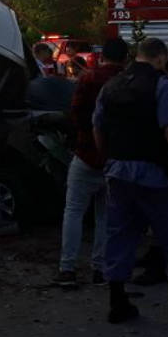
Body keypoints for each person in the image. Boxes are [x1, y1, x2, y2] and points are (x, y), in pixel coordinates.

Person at [94, 37, 168, 324]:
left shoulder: (110, 87)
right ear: (160, 58)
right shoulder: (161, 86)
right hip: (154, 175)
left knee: (119, 235)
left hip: (118, 173)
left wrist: (108, 160)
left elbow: (97, 129)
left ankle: (118, 303)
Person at [55, 37, 128, 287]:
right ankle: (100, 269)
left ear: (102, 55)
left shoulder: (89, 79)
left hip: (86, 155)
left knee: (73, 211)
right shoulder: (128, 83)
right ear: (125, 58)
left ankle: (68, 269)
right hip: (116, 159)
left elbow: (75, 113)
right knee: (105, 217)